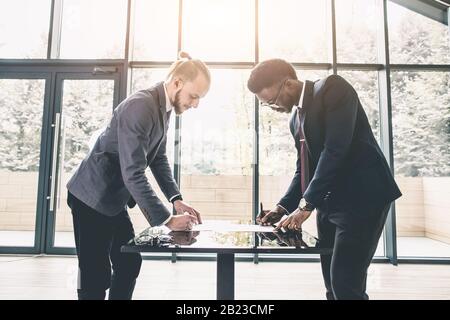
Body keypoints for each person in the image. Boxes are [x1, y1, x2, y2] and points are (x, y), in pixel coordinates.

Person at [248, 59, 402, 300]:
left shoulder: (333, 88)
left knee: (345, 284)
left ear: (287, 84)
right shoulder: (294, 119)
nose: (273, 107)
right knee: (332, 284)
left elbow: (335, 150)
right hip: (329, 205)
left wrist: (306, 205)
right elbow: (304, 170)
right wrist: (281, 208)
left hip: (363, 200)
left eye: (272, 101)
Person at [66, 51, 210, 300]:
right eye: (193, 96)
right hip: (91, 198)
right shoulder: (141, 105)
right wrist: (167, 220)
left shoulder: (162, 108)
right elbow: (133, 172)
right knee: (95, 276)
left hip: (112, 201)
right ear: (177, 83)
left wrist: (175, 199)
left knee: (129, 263)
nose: (196, 104)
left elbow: (158, 158)